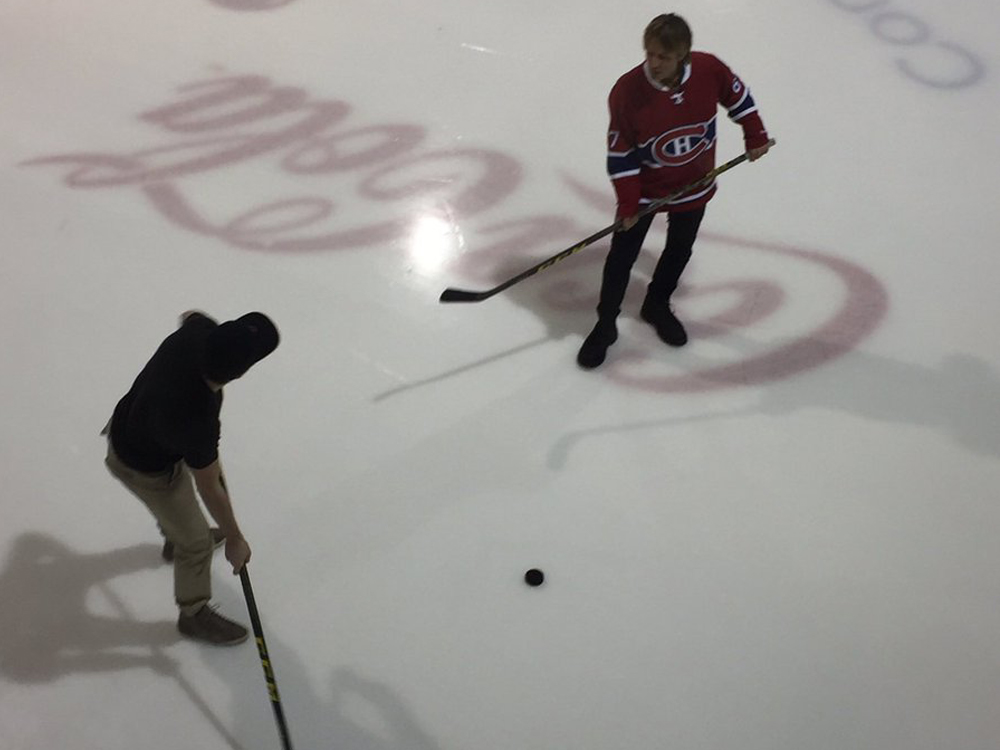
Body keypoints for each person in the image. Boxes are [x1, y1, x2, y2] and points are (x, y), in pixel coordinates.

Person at [578, 13, 772, 369]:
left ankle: (656, 304)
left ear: (683, 54)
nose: (653, 62)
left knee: (680, 248)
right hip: (646, 194)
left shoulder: (708, 70)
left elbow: (738, 96)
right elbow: (621, 152)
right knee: (622, 258)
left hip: (694, 184)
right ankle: (605, 325)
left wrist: (755, 133)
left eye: (663, 57)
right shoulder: (627, 91)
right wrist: (628, 203)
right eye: (649, 53)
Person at [103, 310, 279, 645]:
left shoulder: (196, 334)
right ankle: (194, 614)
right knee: (197, 542)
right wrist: (236, 538)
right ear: (239, 372)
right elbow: (209, 486)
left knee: (184, 506)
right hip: (143, 467)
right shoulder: (195, 420)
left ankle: (175, 536)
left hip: (131, 425)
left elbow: (191, 316)